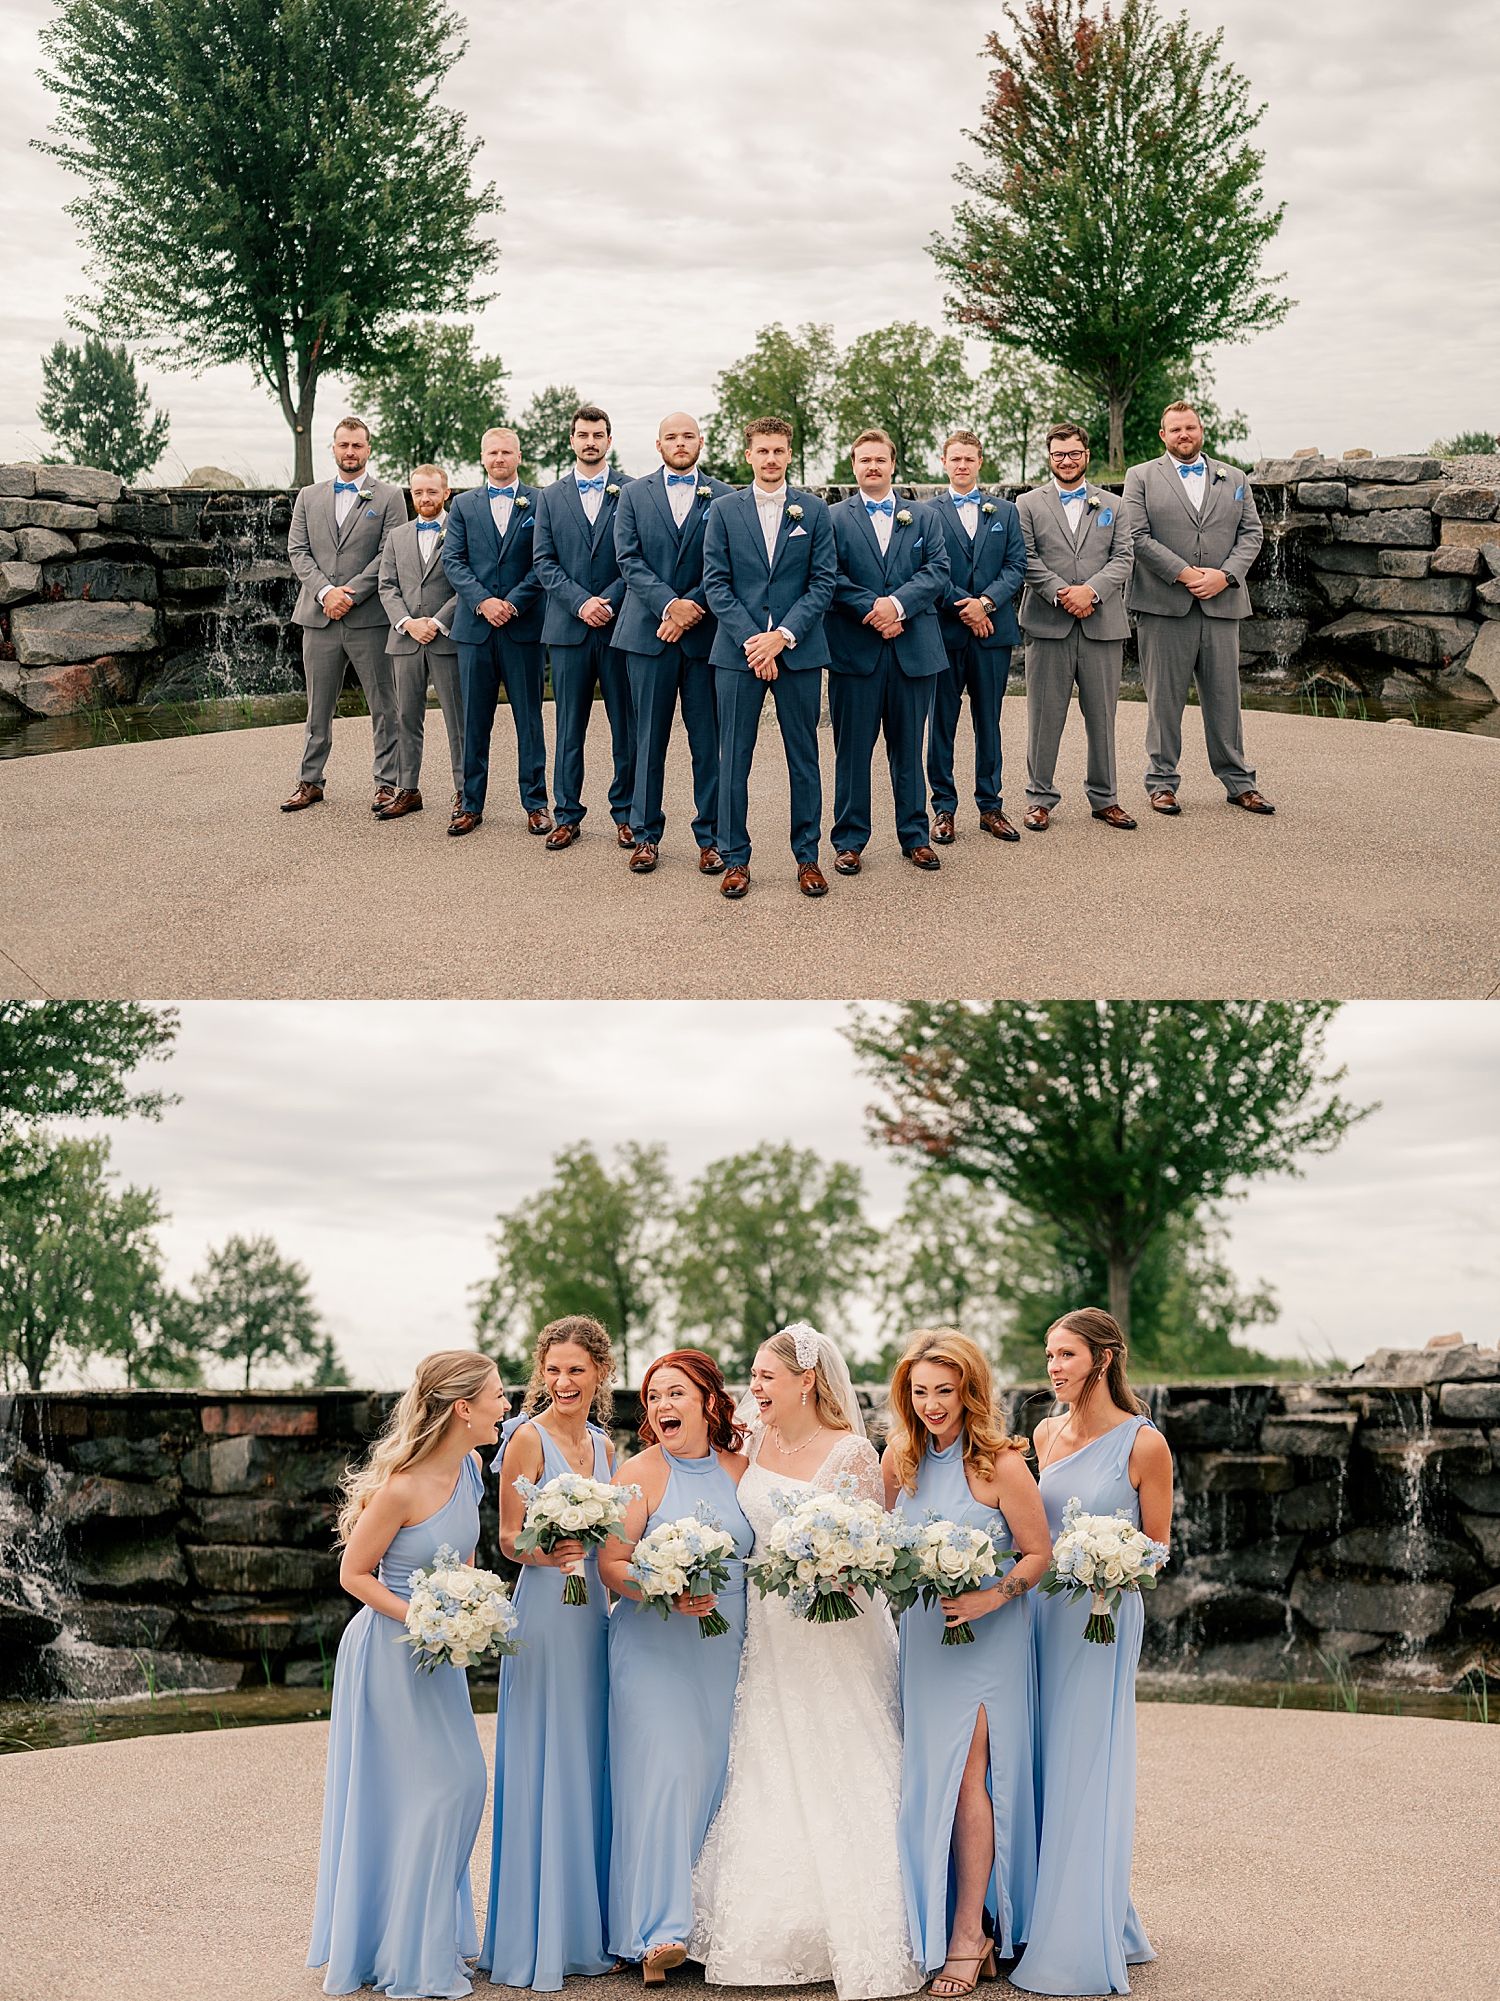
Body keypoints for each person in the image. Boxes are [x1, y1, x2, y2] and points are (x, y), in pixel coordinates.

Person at [688, 1323, 925, 2000]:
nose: (753, 1387)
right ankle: (776, 1924)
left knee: (845, 1754)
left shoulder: (852, 1451)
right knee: (769, 1757)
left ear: (806, 1381)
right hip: (768, 1627)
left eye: (764, 1376)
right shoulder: (756, 1439)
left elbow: (870, 1549)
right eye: (753, 1376)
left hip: (835, 1625)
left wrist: (832, 1570)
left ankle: (869, 1925)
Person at [308, 1350, 508, 1999]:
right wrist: (424, 1615)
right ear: (464, 1408)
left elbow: (465, 1554)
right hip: (387, 1653)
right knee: (440, 1787)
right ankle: (407, 1953)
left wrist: (471, 1605)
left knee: (464, 1783)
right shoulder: (401, 1485)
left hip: (438, 1652)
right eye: (499, 1396)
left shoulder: (473, 1470)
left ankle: (413, 1934)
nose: (507, 1405)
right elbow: (353, 1574)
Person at [1009, 1309, 1174, 1999]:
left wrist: (1114, 1563)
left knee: (1087, 1759)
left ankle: (1080, 1933)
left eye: (1067, 1354)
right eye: (1049, 1354)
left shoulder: (1145, 1443)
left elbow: (1159, 1547)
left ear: (1104, 1359)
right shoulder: (1045, 1433)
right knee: (1046, 1756)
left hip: (1104, 1616)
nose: (1054, 1366)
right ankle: (1064, 1906)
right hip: (1043, 1611)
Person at [883, 1330, 1051, 1995]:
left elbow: (1038, 1553)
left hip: (991, 1639)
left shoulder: (1002, 1465)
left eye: (944, 1391)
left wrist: (992, 1596)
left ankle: (968, 1931)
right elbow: (883, 1544)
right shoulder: (901, 1461)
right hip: (926, 1639)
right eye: (920, 1391)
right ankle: (941, 1918)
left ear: (970, 1391)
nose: (932, 1404)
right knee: (932, 1777)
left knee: (968, 1777)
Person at [598, 1351, 752, 1986]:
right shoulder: (638, 1473)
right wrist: (664, 1587)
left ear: (709, 1402)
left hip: (729, 1645)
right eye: (653, 1396)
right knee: (665, 1773)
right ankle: (658, 1932)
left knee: (719, 1775)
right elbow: (611, 1567)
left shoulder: (746, 1470)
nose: (662, 1406)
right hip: (653, 1643)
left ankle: (711, 1920)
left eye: (676, 1394)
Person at [480, 1316, 620, 1993]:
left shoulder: (604, 1444)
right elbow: (508, 1537)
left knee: (589, 1753)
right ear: (542, 1373)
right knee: (545, 1753)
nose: (563, 1382)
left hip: (594, 1608)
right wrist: (553, 1547)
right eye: (553, 1370)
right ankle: (534, 1936)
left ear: (600, 1374)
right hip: (542, 1608)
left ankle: (586, 1927)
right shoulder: (524, 1438)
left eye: (576, 1370)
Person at [701, 418, 837, 901]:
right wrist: (753, 642)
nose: (772, 458)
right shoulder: (722, 511)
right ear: (749, 456)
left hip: (798, 651)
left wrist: (781, 637)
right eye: (763, 451)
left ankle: (807, 858)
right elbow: (715, 582)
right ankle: (735, 859)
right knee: (734, 758)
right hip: (738, 654)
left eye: (779, 450)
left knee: (804, 757)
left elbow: (824, 582)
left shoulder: (815, 511)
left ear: (789, 454)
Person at [1122, 402, 1273, 817]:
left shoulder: (1235, 477)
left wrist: (1224, 576)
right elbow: (1136, 536)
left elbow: (1252, 533)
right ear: (1163, 435)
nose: (1183, 434)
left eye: (1190, 427)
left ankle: (1240, 783)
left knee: (1225, 699)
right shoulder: (1140, 477)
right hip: (1164, 605)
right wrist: (1187, 574)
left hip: (1222, 604)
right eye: (1175, 429)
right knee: (1163, 701)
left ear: (1201, 430)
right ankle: (1162, 783)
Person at [612, 413, 734, 876]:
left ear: (701, 442)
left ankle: (713, 839)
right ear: (657, 444)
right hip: (648, 635)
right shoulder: (634, 495)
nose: (680, 443)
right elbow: (629, 559)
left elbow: (727, 564)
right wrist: (668, 606)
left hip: (705, 639)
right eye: (671, 437)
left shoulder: (725, 497)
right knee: (647, 739)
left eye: (688, 436)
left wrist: (691, 609)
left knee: (709, 742)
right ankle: (645, 835)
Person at [825, 430, 951, 875]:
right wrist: (872, 608)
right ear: (854, 465)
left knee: (908, 750)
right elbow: (828, 576)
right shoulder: (833, 517)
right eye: (864, 460)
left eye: (880, 459)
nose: (872, 466)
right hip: (855, 653)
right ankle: (849, 840)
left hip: (913, 649)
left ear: (893, 464)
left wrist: (898, 606)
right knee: (852, 752)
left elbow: (938, 570)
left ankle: (914, 837)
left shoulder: (924, 516)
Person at [1015, 424, 1136, 833]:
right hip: (1049, 623)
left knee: (1102, 716)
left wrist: (1091, 592)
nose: (1066, 460)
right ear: (1049, 457)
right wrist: (1063, 593)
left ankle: (1105, 799)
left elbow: (1123, 558)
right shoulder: (1027, 504)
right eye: (1058, 454)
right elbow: (1026, 559)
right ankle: (1039, 799)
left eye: (1074, 453)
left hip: (1102, 623)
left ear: (1087, 454)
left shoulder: (1114, 506)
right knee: (1044, 716)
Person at [283, 416, 406, 814]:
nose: (349, 452)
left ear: (369, 449)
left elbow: (391, 554)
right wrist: (324, 592)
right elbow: (298, 551)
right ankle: (309, 781)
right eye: (343, 445)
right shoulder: (308, 496)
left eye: (357, 445)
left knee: (384, 704)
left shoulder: (389, 497)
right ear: (333, 449)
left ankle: (388, 784)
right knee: (317, 705)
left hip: (368, 617)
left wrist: (348, 595)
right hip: (318, 618)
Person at [532, 406, 636, 851]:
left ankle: (628, 815)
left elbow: (638, 556)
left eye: (597, 434)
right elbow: (543, 561)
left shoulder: (634, 492)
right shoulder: (549, 496)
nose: (590, 441)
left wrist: (606, 600)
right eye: (582, 434)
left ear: (609, 440)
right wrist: (580, 603)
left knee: (625, 727)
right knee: (568, 727)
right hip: (568, 629)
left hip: (620, 628)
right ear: (571, 441)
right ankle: (567, 814)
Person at [441, 426, 550, 840]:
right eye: (492, 453)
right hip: (474, 630)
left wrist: (514, 602)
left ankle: (536, 804)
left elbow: (544, 560)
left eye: (506, 452)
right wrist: (483, 601)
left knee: (530, 720)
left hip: (523, 629)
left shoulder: (541, 501)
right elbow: (454, 561)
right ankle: (470, 804)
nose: (499, 458)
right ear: (482, 457)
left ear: (519, 456)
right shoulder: (464, 505)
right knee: (474, 722)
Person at [927, 431, 1027, 845]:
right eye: (956, 459)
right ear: (944, 462)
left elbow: (1016, 564)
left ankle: (990, 806)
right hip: (945, 633)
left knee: (989, 721)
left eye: (970, 458)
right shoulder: (926, 512)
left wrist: (985, 604)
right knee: (942, 724)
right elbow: (928, 568)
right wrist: (963, 607)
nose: (962, 465)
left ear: (980, 461)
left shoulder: (1005, 510)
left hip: (992, 635)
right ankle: (943, 809)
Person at [376, 463, 464, 824]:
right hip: (405, 639)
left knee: (458, 719)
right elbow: (386, 585)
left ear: (446, 493)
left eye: (431, 491)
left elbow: (466, 582)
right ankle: (408, 789)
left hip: (446, 638)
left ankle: (465, 791)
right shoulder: (397, 536)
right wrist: (408, 623)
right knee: (405, 717)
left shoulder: (461, 532)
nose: (424, 498)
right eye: (417, 492)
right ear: (410, 495)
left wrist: (438, 621)